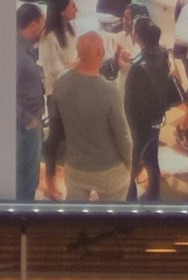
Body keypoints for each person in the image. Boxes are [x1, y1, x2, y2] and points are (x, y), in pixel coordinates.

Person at [41, 32, 133, 204]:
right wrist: (129, 162)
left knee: (75, 215)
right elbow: (123, 135)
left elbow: (55, 133)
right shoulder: (109, 92)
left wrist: (50, 172)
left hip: (75, 167)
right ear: (100, 52)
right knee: (114, 211)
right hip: (108, 170)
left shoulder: (60, 84)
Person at [122, 13, 179, 201]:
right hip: (157, 116)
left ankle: (130, 200)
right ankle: (154, 193)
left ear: (137, 36)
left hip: (139, 124)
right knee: (152, 157)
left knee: (131, 163)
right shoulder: (163, 53)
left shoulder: (138, 65)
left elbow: (129, 102)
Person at [12, 2, 49, 202]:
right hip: (24, 128)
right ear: (33, 24)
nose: (44, 27)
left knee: (29, 176)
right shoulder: (17, 53)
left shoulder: (23, 48)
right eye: (42, 23)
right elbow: (4, 94)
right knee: (24, 180)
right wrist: (28, 119)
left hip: (29, 124)